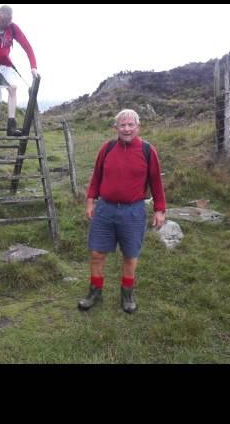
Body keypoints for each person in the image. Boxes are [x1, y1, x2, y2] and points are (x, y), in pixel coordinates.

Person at [79, 109, 166, 313]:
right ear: (115, 128)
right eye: (122, 125)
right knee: (97, 253)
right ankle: (95, 292)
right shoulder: (107, 149)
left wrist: (159, 209)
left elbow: (156, 182)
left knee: (130, 255)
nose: (126, 129)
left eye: (130, 125)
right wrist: (91, 202)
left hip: (133, 212)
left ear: (138, 126)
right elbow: (96, 177)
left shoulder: (147, 150)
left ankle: (127, 295)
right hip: (105, 210)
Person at [0, 5, 39, 144]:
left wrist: (33, 67)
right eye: (5, 21)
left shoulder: (13, 27)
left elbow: (27, 47)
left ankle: (11, 125)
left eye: (10, 20)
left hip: (6, 66)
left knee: (13, 87)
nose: (8, 24)